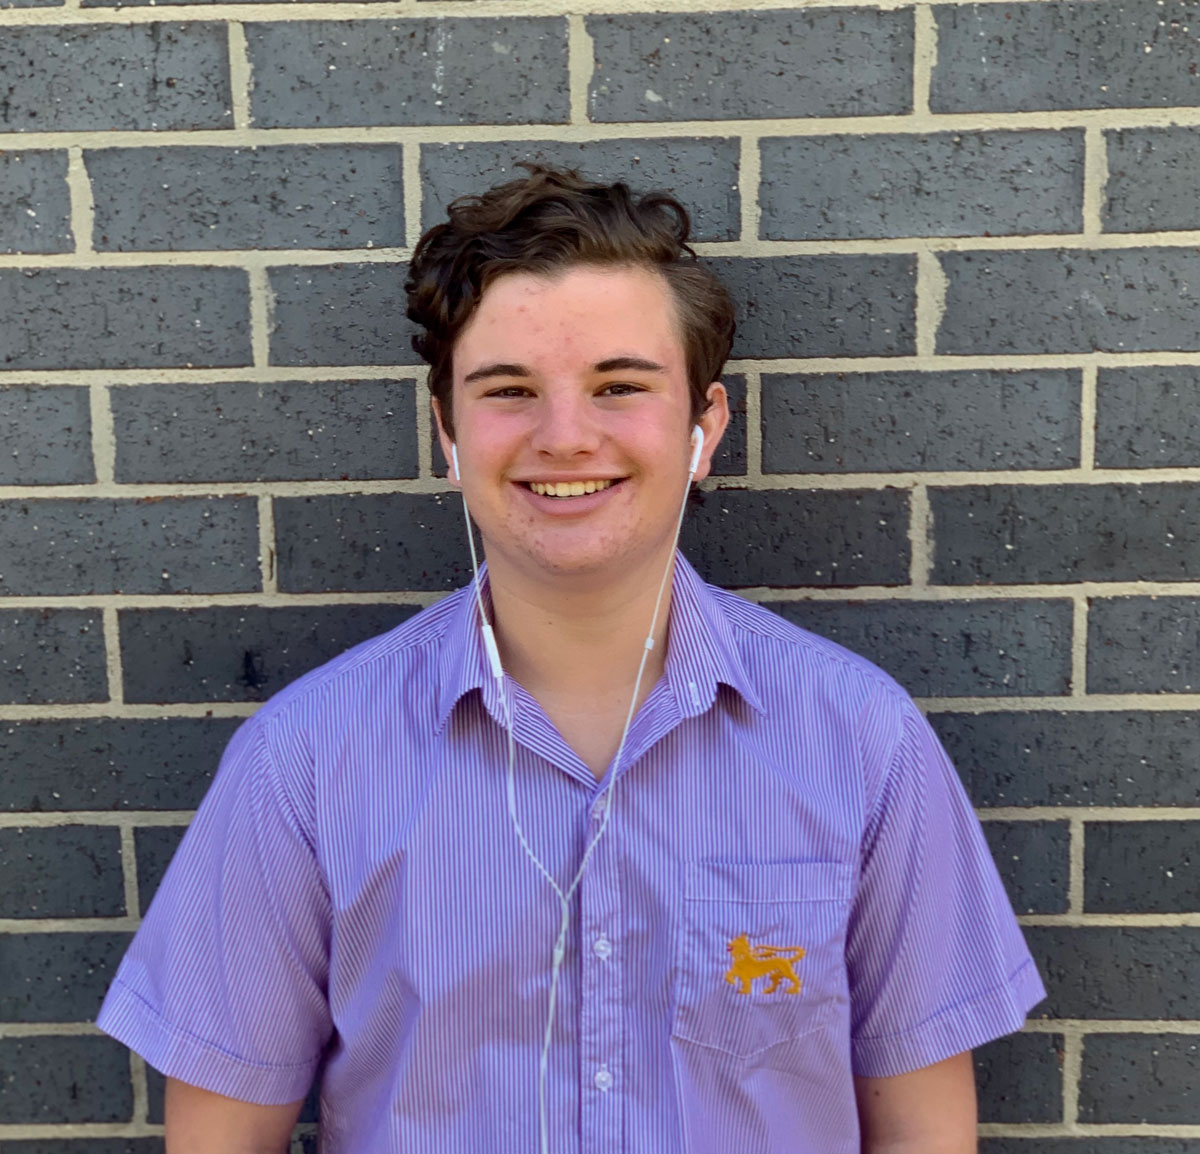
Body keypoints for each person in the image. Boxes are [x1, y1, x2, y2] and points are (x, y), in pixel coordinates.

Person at [97, 165, 1045, 1154]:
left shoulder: (860, 738)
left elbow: (924, 1130)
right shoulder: (303, 760)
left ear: (703, 428)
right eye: (509, 390)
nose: (565, 436)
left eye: (619, 386)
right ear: (449, 435)